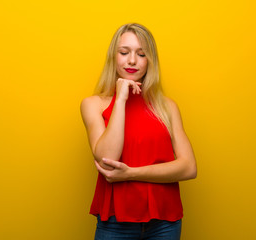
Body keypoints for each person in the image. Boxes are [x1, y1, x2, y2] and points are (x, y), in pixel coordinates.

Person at [80, 23, 197, 240]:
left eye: (141, 54)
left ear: (150, 61)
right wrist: (121, 99)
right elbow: (108, 158)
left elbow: (189, 167)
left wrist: (130, 173)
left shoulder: (167, 106)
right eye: (124, 52)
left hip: (165, 223)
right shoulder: (93, 104)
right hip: (116, 223)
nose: (132, 60)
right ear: (113, 57)